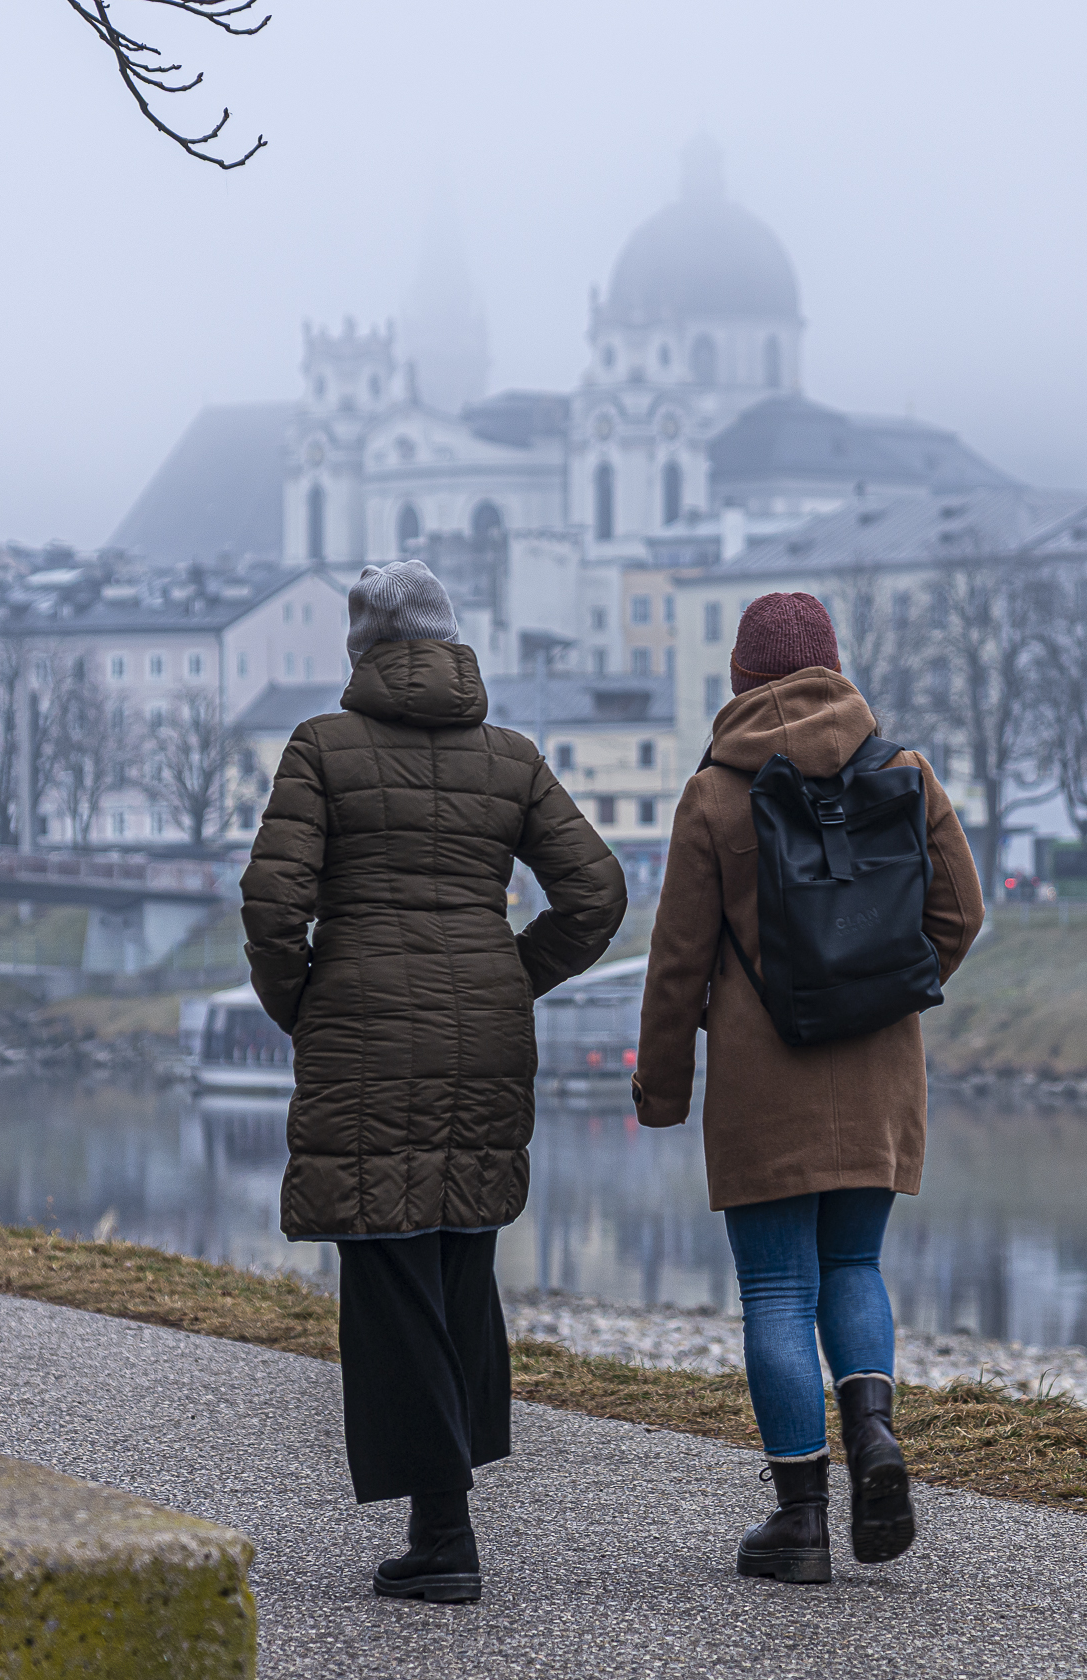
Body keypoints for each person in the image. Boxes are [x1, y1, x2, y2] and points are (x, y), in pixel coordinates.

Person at [242, 560, 625, 1604]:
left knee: (387, 1268)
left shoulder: (320, 745)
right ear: (452, 642)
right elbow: (596, 892)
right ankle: (440, 1518)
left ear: (360, 647)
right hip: (482, 1034)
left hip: (363, 1026)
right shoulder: (511, 756)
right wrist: (509, 972)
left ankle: (443, 1531)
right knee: (460, 1258)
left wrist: (306, 1004)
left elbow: (271, 907)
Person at [631, 590, 983, 1583]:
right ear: (832, 664)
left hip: (760, 1073)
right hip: (877, 1067)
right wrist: (887, 986)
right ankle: (872, 1434)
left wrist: (661, 1086)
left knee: (776, 1287)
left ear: (740, 677)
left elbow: (675, 963)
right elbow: (961, 911)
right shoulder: (903, 770)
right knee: (853, 1265)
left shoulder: (712, 794)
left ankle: (798, 1524)